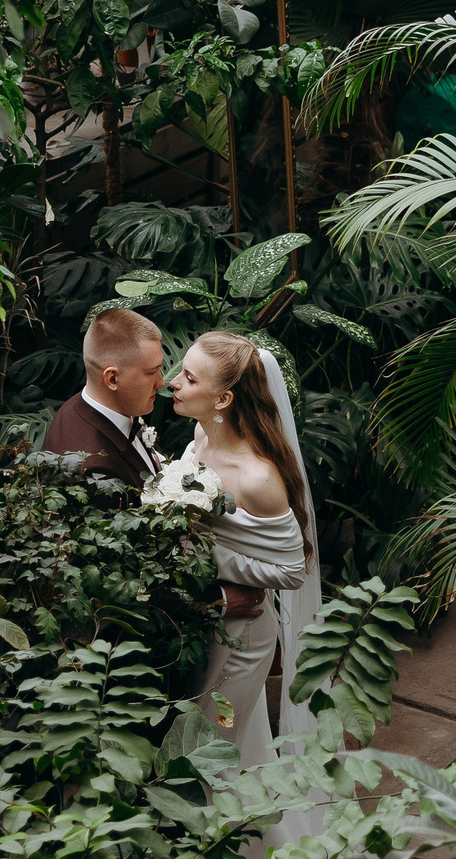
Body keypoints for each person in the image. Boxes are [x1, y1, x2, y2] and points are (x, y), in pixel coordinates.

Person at [167, 331, 321, 781]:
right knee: (203, 745)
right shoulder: (200, 435)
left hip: (242, 634)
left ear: (223, 399)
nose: (174, 382)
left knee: (210, 758)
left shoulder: (257, 478)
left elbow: (292, 570)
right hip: (209, 614)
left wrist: (205, 554)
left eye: (190, 378)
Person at [43, 307, 165, 485]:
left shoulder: (78, 406)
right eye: (151, 372)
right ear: (112, 379)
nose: (161, 382)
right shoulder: (97, 473)